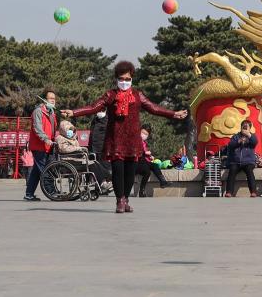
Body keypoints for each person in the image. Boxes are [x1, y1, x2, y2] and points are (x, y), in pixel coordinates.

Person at [63, 61, 187, 213]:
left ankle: (126, 199)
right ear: (116, 79)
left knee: (130, 173)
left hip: (133, 140)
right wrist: (74, 112)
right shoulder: (111, 95)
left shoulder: (137, 95)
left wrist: (173, 113)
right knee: (117, 171)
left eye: (128, 79)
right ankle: (119, 200)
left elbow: (154, 108)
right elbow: (93, 107)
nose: (125, 82)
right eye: (121, 78)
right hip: (115, 139)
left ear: (132, 78)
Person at [23, 91, 59, 201]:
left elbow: (53, 129)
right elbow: (37, 128)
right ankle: (51, 191)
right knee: (45, 170)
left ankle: (29, 194)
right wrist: (45, 138)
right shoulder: (38, 111)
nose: (53, 100)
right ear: (44, 99)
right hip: (39, 146)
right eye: (50, 98)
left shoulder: (52, 113)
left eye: (54, 98)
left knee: (36, 171)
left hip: (48, 146)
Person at [223, 120, 260, 197]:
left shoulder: (252, 136)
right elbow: (230, 145)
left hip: (248, 162)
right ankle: (229, 192)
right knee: (232, 171)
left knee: (250, 171)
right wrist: (238, 141)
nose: (245, 128)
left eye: (247, 127)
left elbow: (255, 142)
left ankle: (253, 192)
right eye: (243, 127)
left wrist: (248, 135)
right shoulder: (236, 136)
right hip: (236, 162)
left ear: (250, 128)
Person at [136, 125, 170, 197]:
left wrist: (149, 156)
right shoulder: (136, 141)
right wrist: (145, 153)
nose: (143, 135)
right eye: (142, 132)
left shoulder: (144, 143)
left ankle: (163, 181)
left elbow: (144, 155)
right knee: (147, 172)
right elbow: (135, 151)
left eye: (146, 134)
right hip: (136, 162)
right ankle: (142, 191)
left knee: (155, 165)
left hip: (142, 161)